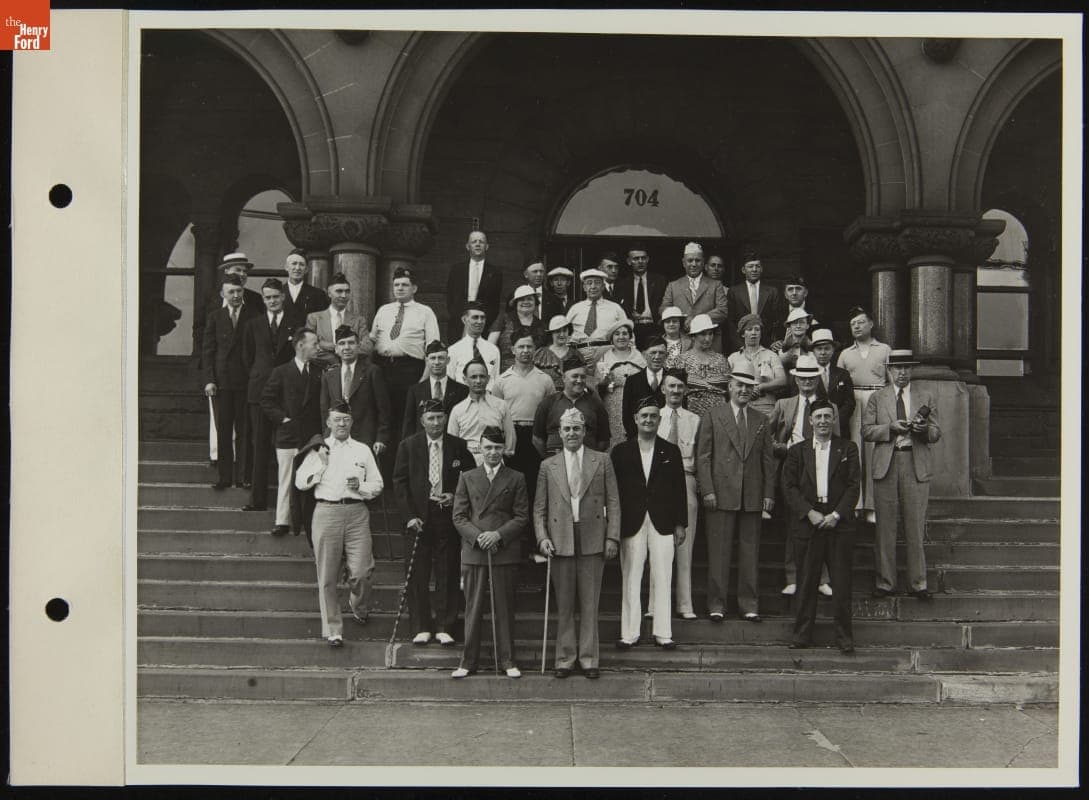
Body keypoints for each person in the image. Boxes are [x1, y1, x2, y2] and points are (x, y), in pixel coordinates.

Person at [534, 409, 620, 679]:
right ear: (559, 433)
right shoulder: (548, 466)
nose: (572, 433)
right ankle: (564, 658)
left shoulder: (602, 460)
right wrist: (542, 537)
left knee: (590, 602)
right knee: (566, 604)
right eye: (567, 429)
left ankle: (589, 658)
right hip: (561, 540)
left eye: (576, 429)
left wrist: (612, 537)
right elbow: (539, 508)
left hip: (593, 537)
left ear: (584, 432)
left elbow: (614, 503)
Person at [293, 402, 383, 646]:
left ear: (352, 422)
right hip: (326, 511)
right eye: (337, 420)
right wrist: (321, 464)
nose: (342, 424)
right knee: (327, 575)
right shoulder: (318, 449)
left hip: (356, 512)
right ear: (328, 423)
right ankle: (333, 629)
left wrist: (361, 487)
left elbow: (378, 484)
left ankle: (357, 602)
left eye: (346, 419)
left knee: (362, 571)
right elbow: (301, 482)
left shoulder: (362, 450)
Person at [696, 359, 777, 622]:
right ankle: (717, 604)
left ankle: (749, 604)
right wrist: (707, 489)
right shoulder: (712, 416)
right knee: (718, 553)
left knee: (750, 552)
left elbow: (768, 460)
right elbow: (703, 456)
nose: (743, 389)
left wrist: (768, 494)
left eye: (748, 386)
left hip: (752, 494)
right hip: (719, 494)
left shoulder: (761, 420)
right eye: (739, 384)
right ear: (730, 386)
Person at [392, 398, 476, 646]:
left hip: (446, 515)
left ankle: (445, 625)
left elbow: (471, 479)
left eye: (440, 417)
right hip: (418, 516)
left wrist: (456, 496)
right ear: (422, 421)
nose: (436, 422)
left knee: (447, 570)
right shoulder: (409, 446)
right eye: (431, 418)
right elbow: (399, 482)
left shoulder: (458, 446)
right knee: (418, 572)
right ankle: (420, 626)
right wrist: (408, 517)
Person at [781, 399, 860, 653]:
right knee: (806, 581)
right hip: (809, 520)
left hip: (838, 521)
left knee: (841, 582)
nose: (823, 421)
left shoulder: (848, 448)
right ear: (810, 421)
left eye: (828, 416)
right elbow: (789, 487)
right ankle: (802, 635)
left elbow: (853, 485)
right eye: (819, 417)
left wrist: (837, 514)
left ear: (834, 419)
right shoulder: (797, 451)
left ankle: (844, 638)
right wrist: (809, 513)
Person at [863, 350, 941, 600]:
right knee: (885, 527)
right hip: (887, 463)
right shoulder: (878, 397)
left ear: (912, 370)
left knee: (915, 525)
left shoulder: (925, 395)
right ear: (889, 370)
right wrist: (890, 428)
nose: (902, 372)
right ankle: (885, 582)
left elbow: (937, 433)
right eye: (897, 368)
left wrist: (923, 429)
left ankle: (918, 583)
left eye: (907, 368)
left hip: (914, 461)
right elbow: (866, 430)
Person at [451, 427, 529, 678]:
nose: (493, 453)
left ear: (504, 449)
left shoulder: (516, 477)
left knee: (504, 608)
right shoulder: (467, 476)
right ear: (480, 448)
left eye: (497, 448)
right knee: (473, 607)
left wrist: (498, 535)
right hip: (474, 551)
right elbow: (459, 517)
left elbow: (521, 516)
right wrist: (478, 537)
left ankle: (507, 660)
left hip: (503, 550)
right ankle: (467, 661)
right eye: (488, 447)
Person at [611, 398, 687, 649]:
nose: (648, 420)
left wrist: (680, 524)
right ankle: (629, 633)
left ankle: (663, 633)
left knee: (663, 576)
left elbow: (679, 490)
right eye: (644, 415)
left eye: (653, 416)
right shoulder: (621, 452)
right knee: (631, 576)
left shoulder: (670, 451)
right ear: (635, 419)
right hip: (631, 521)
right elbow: (613, 493)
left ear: (659, 419)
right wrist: (614, 525)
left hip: (663, 521)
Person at [768, 354, 838, 597]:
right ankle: (793, 576)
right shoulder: (784, 404)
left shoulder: (829, 408)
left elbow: (838, 441)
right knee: (795, 522)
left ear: (818, 379)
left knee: (823, 521)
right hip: (793, 464)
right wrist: (782, 448)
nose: (807, 382)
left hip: (822, 464)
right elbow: (765, 436)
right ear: (795, 380)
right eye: (802, 378)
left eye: (811, 378)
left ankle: (822, 578)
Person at [370, 266, 441, 464]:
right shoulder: (383, 310)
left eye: (405, 285)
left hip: (410, 370)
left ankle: (403, 466)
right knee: (384, 416)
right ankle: (382, 467)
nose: (400, 288)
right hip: (383, 368)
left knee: (406, 419)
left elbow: (432, 347)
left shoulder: (425, 312)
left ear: (414, 288)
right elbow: (372, 340)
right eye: (396, 285)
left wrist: (424, 379)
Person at [241, 278, 300, 512]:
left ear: (283, 297)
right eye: (268, 297)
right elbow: (247, 358)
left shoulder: (295, 323)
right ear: (263, 299)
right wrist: (260, 378)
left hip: (287, 392)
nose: (272, 301)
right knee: (259, 444)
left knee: (287, 446)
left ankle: (291, 505)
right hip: (259, 392)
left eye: (276, 296)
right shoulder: (253, 324)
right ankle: (258, 500)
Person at [261, 327, 323, 535]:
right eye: (314, 344)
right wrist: (283, 419)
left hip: (311, 436)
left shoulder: (319, 372)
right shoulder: (281, 372)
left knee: (313, 478)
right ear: (300, 345)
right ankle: (283, 521)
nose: (318, 348)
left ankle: (310, 521)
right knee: (286, 478)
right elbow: (267, 401)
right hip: (288, 435)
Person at [203, 274, 261, 490]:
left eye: (239, 291)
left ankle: (244, 477)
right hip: (222, 382)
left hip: (246, 382)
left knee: (245, 430)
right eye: (231, 292)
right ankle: (224, 477)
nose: (236, 296)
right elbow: (208, 351)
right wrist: (209, 380)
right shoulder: (215, 317)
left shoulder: (254, 316)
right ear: (223, 294)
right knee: (224, 430)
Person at [836, 307, 892, 522]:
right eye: (853, 324)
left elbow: (891, 380)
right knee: (854, 450)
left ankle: (872, 505)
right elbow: (838, 383)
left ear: (871, 324)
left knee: (874, 452)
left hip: (876, 399)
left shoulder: (884, 349)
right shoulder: (845, 353)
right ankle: (855, 504)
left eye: (860, 322)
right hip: (853, 402)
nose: (856, 326)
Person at [490, 328, 555, 504]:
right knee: (512, 484)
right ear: (513, 350)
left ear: (535, 349)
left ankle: (533, 528)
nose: (525, 351)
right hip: (513, 436)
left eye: (529, 346)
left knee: (535, 483)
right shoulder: (502, 380)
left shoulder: (545, 379)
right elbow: (496, 415)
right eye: (521, 347)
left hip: (536, 435)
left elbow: (551, 413)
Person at [657, 368, 701, 619]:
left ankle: (685, 604)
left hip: (685, 480)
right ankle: (656, 604)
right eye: (670, 386)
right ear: (663, 389)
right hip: (659, 484)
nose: (675, 391)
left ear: (685, 390)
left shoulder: (694, 420)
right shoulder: (654, 417)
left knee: (685, 544)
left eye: (679, 387)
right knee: (660, 545)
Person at [318, 325, 391, 455]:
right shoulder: (329, 376)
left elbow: (383, 409)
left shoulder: (372, 372)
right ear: (336, 349)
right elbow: (325, 412)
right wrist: (326, 439)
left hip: (365, 439)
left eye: (351, 343)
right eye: (342, 344)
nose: (346, 347)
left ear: (358, 346)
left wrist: (381, 438)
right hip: (336, 440)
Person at [533, 354, 611, 456]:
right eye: (575, 376)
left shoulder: (596, 404)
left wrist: (591, 459)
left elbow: (604, 441)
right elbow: (537, 439)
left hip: (587, 464)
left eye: (583, 377)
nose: (579, 380)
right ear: (564, 378)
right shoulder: (548, 403)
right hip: (556, 464)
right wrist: (550, 461)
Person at [659, 242, 729, 351]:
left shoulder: (715, 285)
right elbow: (664, 309)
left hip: (710, 342)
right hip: (682, 340)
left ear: (703, 262)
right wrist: (682, 319)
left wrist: (696, 320)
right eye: (690, 260)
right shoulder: (673, 286)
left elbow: (722, 311)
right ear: (683, 262)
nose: (694, 264)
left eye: (698, 260)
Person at [446, 358, 515, 465]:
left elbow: (510, 440)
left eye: (482, 376)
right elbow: (451, 444)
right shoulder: (457, 410)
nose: (478, 381)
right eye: (473, 377)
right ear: (465, 379)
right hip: (467, 465)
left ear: (488, 379)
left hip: (495, 462)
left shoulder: (501, 406)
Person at [400, 339, 469, 441]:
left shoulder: (461, 390)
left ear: (448, 360)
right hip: (423, 447)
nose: (437, 362)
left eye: (441, 358)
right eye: (433, 358)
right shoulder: (415, 391)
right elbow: (409, 426)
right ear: (427, 361)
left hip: (452, 445)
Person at [592, 319, 646, 446]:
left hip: (636, 405)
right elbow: (596, 389)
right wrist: (604, 382)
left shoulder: (640, 357)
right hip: (613, 406)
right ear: (612, 338)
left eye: (624, 333)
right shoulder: (604, 358)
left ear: (630, 336)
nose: (621, 337)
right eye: (617, 334)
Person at [445, 230, 503, 340]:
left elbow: (495, 303)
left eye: (481, 242)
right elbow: (450, 299)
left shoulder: (495, 273)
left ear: (487, 246)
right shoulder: (457, 270)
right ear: (467, 246)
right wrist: (462, 317)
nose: (477, 244)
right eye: (474, 242)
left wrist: (481, 320)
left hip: (483, 325)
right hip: (459, 324)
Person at [307, 272, 371, 370]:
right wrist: (334, 359)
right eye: (339, 291)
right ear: (329, 293)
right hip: (322, 373)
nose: (344, 295)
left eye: (347, 291)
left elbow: (367, 347)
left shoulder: (359, 320)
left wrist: (334, 347)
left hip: (352, 371)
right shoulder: (314, 318)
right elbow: (309, 348)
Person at [728, 313, 787, 418]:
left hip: (765, 407)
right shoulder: (733, 358)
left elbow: (782, 380)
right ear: (742, 334)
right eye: (749, 329)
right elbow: (728, 385)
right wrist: (746, 390)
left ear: (761, 333)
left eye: (757, 329)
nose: (753, 333)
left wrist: (761, 387)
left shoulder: (771, 355)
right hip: (740, 406)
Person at [725, 252, 785, 352]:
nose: (754, 269)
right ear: (743, 270)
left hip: (767, 344)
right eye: (750, 266)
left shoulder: (771, 291)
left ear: (761, 269)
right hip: (742, 345)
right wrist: (739, 346)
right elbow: (730, 322)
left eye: (757, 266)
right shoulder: (734, 292)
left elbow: (777, 320)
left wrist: (772, 342)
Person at [615, 244, 667, 349]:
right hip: (632, 329)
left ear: (648, 259)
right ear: (629, 261)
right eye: (636, 259)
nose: (640, 261)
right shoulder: (622, 284)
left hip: (654, 328)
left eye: (643, 258)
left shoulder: (660, 281)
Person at [807, 328, 855, 439]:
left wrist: (835, 420)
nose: (823, 352)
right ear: (813, 351)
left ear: (833, 350)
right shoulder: (807, 375)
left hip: (839, 427)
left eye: (827, 348)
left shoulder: (843, 374)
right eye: (819, 349)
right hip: (814, 426)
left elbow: (850, 402)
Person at [681, 314, 731, 417]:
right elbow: (678, 386)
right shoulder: (683, 359)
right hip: (692, 413)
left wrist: (697, 382)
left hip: (718, 413)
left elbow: (728, 387)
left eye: (710, 333)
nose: (708, 338)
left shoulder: (720, 359)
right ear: (693, 336)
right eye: (703, 334)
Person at [446, 301, 502, 390]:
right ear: (464, 320)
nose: (480, 321)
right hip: (463, 400)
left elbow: (495, 381)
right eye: (475, 317)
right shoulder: (453, 350)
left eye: (482, 318)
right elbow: (449, 381)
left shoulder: (493, 350)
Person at [487, 285, 543, 372]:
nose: (526, 302)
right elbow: (490, 346)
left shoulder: (540, 324)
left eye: (529, 299)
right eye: (522, 299)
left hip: (532, 373)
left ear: (535, 302)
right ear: (515, 303)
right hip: (506, 372)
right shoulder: (504, 319)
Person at [565, 268, 626, 348]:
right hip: (579, 352)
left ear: (603, 286)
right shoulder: (575, 308)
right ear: (584, 287)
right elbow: (563, 333)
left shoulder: (615, 308)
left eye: (597, 283)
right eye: (589, 283)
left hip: (607, 352)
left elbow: (628, 334)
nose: (593, 287)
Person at [621, 335, 667, 440]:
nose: (657, 357)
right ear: (644, 354)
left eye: (661, 353)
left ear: (666, 355)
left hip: (666, 438)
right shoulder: (632, 381)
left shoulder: (672, 380)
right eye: (653, 353)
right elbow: (627, 416)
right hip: (638, 439)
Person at [534, 315, 581, 392]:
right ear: (551, 333)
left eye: (564, 330)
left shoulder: (576, 354)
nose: (562, 334)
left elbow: (582, 380)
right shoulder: (540, 354)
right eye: (558, 331)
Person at [281, 248, 330, 320]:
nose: (297, 268)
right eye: (294, 264)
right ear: (286, 267)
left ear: (306, 269)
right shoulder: (277, 292)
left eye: (301, 264)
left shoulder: (318, 294)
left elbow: (323, 323)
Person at [771, 275, 820, 345]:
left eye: (798, 289)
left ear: (805, 293)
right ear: (785, 294)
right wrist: (775, 343)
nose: (794, 293)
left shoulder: (817, 313)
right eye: (790, 289)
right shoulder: (777, 313)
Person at [773, 307, 814, 374]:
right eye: (795, 323)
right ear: (789, 326)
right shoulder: (780, 348)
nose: (798, 326)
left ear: (807, 326)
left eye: (802, 322)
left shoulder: (813, 348)